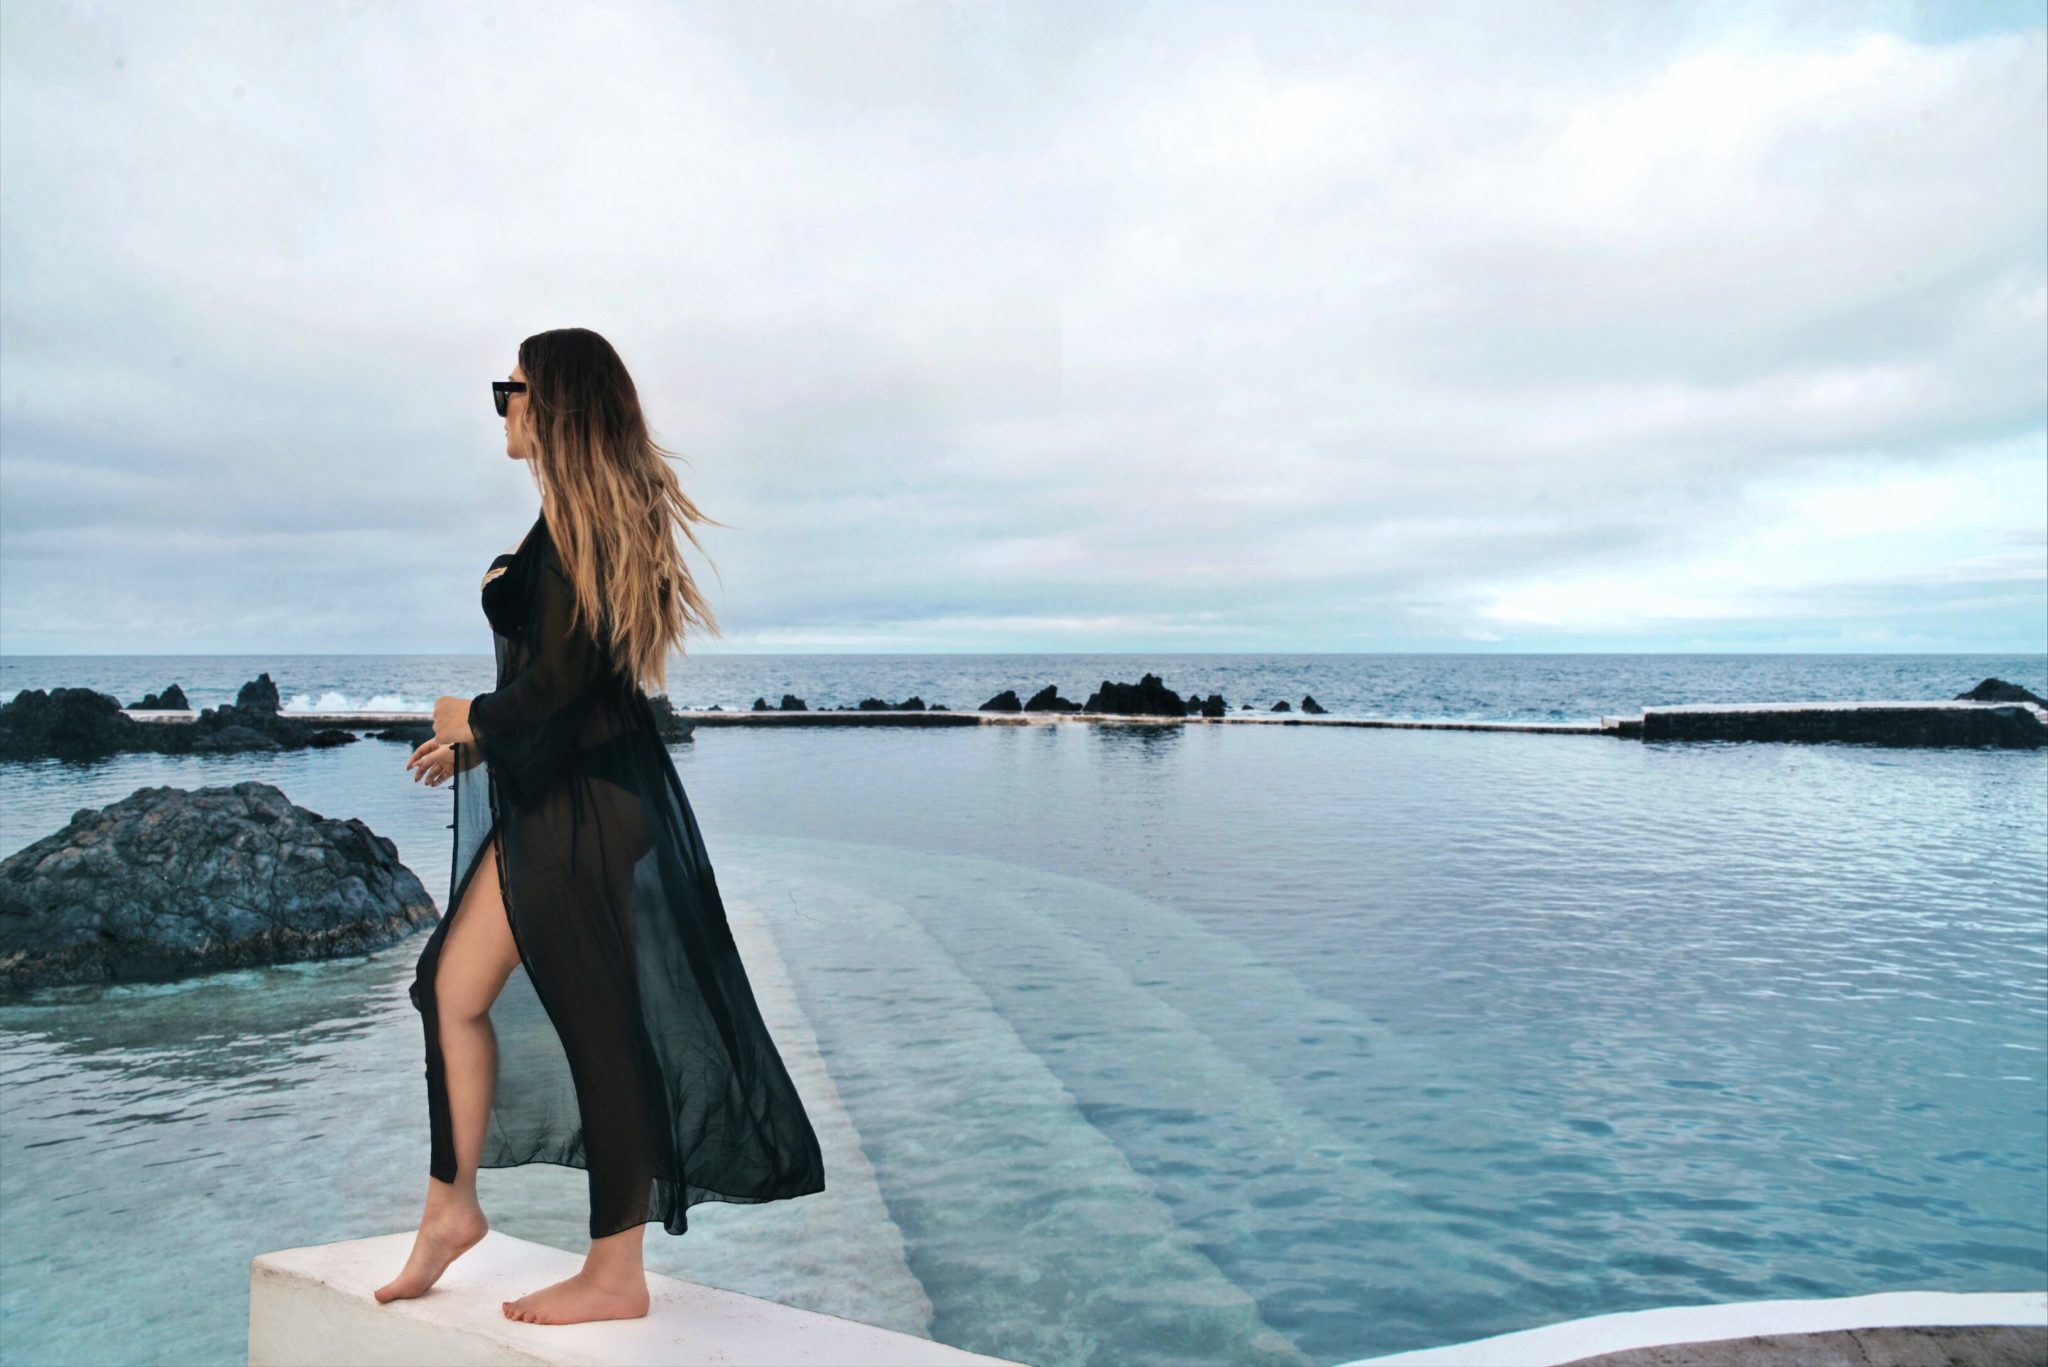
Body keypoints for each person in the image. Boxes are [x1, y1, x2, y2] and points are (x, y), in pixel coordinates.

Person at [374, 328, 825, 1325]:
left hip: (584, 806)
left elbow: (560, 688)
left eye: (514, 388)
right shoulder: (568, 524)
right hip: (572, 792)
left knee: (597, 1027)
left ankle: (614, 1269)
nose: (504, 405)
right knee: (446, 986)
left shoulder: (579, 532)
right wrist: (482, 747)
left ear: (559, 404)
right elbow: (574, 692)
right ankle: (451, 1207)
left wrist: (467, 718)